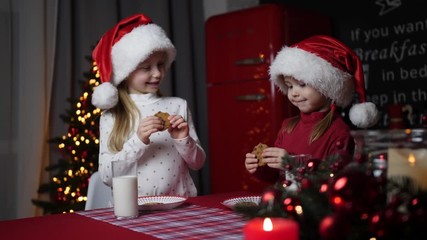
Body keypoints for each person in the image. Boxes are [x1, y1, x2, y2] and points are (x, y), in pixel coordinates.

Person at [91, 14, 206, 197]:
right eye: (146, 68)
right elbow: (106, 175)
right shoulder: (112, 116)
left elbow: (197, 163)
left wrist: (183, 140)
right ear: (126, 72)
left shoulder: (178, 106)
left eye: (161, 64)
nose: (157, 74)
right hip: (132, 210)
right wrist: (138, 140)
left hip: (180, 208)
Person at [244, 35, 378, 183]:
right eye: (289, 86)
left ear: (327, 88)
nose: (294, 92)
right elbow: (278, 176)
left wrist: (293, 163)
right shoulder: (288, 126)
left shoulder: (339, 132)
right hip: (286, 203)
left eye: (302, 84)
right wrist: (261, 168)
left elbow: (335, 178)